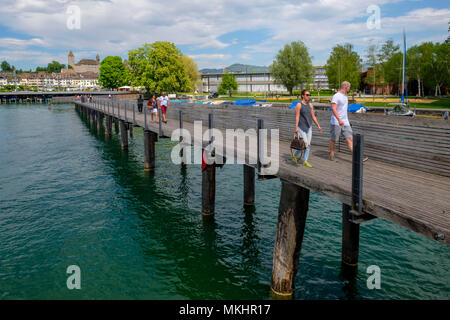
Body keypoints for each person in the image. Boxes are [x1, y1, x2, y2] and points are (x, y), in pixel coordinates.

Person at [329, 81, 368, 162]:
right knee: (334, 139)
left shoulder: (345, 96)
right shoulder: (336, 96)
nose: (349, 89)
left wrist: (345, 120)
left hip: (345, 121)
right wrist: (339, 119)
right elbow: (333, 108)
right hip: (336, 122)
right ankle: (331, 154)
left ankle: (357, 157)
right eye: (349, 87)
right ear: (346, 87)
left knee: (350, 139)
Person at [292, 90, 322, 167]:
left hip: (309, 127)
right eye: (307, 95)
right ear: (302, 95)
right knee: (304, 144)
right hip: (301, 127)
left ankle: (305, 161)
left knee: (308, 145)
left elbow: (313, 116)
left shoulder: (310, 105)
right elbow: (297, 116)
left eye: (309, 95)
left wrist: (318, 126)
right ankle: (295, 155)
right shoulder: (299, 105)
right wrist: (296, 128)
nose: (308, 96)